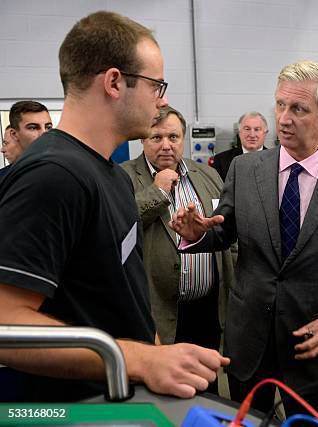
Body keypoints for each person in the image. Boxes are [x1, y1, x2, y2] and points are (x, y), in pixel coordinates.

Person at [0, 11, 228, 402]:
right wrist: (141, 360)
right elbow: (6, 323)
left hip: (122, 395)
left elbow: (124, 292)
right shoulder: (54, 176)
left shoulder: (112, 176)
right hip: (75, 406)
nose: (164, 99)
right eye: (157, 85)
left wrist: (156, 352)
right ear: (114, 82)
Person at [170, 60, 318, 418]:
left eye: (298, 108)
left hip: (310, 343)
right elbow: (226, 229)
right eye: (280, 105)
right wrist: (198, 236)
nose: (284, 118)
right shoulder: (245, 169)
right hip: (248, 338)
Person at [121, 106, 234, 394]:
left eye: (173, 136)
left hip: (208, 308)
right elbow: (117, 228)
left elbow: (226, 229)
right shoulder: (122, 177)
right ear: (142, 141)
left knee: (206, 385)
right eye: (156, 137)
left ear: (183, 138)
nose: (166, 145)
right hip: (156, 310)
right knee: (167, 391)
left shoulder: (207, 175)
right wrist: (156, 192)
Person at [213, 111, 268, 180]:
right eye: (247, 129)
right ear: (239, 133)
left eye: (257, 129)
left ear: (265, 133)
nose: (252, 135)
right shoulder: (221, 161)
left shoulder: (276, 161)